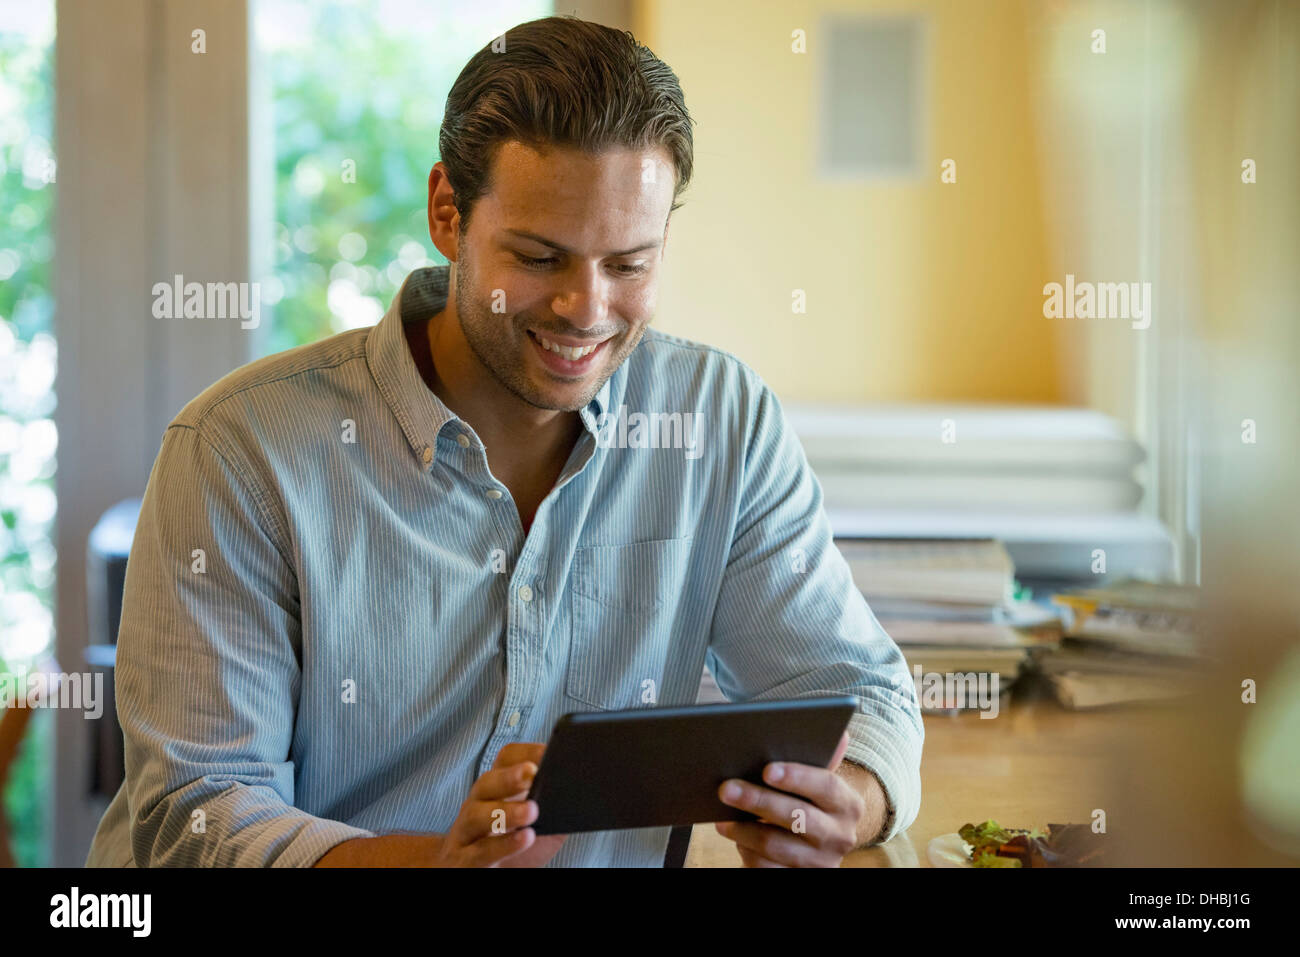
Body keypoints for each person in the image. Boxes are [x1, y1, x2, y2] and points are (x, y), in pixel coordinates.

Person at [86, 14, 922, 868]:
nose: (586, 311)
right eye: (540, 257)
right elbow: (193, 817)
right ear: (447, 212)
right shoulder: (238, 452)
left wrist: (847, 798)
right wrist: (439, 863)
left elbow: (865, 697)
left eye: (629, 265)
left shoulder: (720, 420)